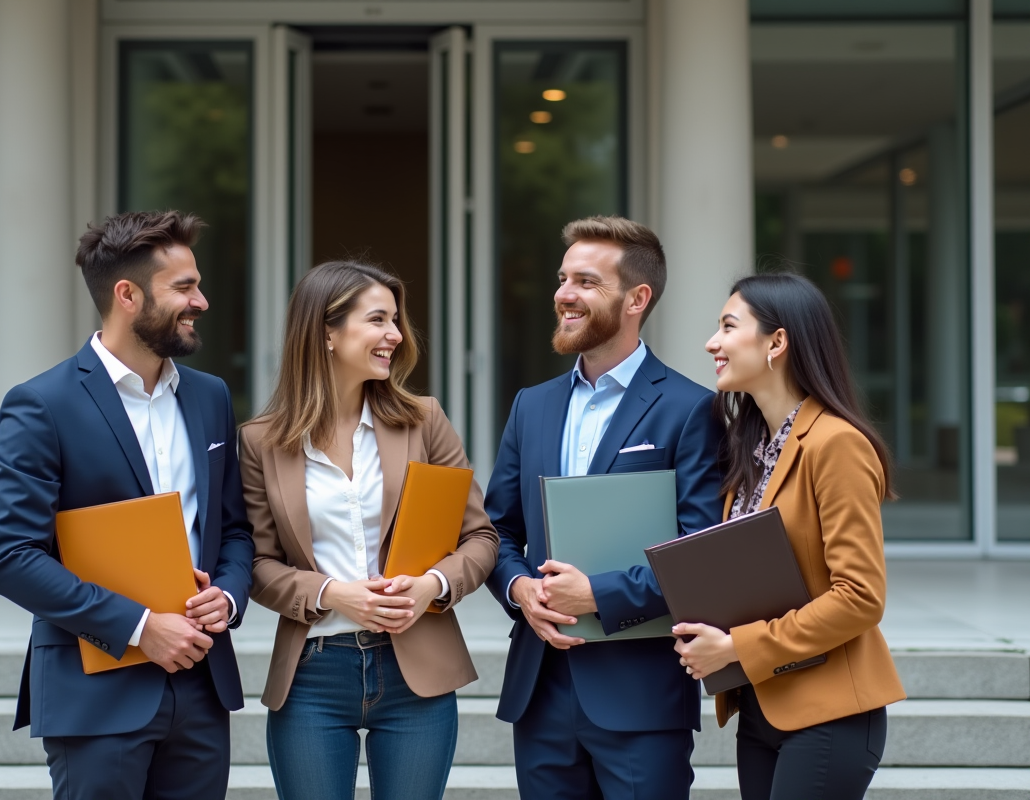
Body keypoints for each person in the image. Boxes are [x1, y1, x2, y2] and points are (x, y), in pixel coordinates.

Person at [0, 211, 255, 800]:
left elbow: (233, 529)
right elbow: (9, 556)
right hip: (94, 688)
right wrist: (139, 627)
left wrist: (227, 598)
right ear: (126, 295)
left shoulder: (210, 397)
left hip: (202, 685)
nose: (201, 301)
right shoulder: (40, 404)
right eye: (183, 287)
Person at [238, 260, 499, 800]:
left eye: (396, 321)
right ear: (327, 332)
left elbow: (480, 538)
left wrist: (432, 586)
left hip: (417, 669)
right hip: (312, 674)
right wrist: (334, 594)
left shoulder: (424, 420)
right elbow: (256, 564)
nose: (396, 336)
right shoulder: (260, 442)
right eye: (379, 320)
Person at [484, 216, 724, 798]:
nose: (564, 294)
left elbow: (702, 552)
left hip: (640, 696)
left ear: (637, 298)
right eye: (563, 278)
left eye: (587, 282)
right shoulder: (531, 405)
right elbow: (495, 531)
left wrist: (597, 595)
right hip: (540, 688)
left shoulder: (692, 409)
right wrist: (521, 592)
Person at [675, 272, 906, 800]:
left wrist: (735, 646)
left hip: (830, 711)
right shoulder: (750, 448)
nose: (713, 342)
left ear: (777, 342)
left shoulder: (836, 444)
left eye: (728, 326)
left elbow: (860, 598)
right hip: (763, 704)